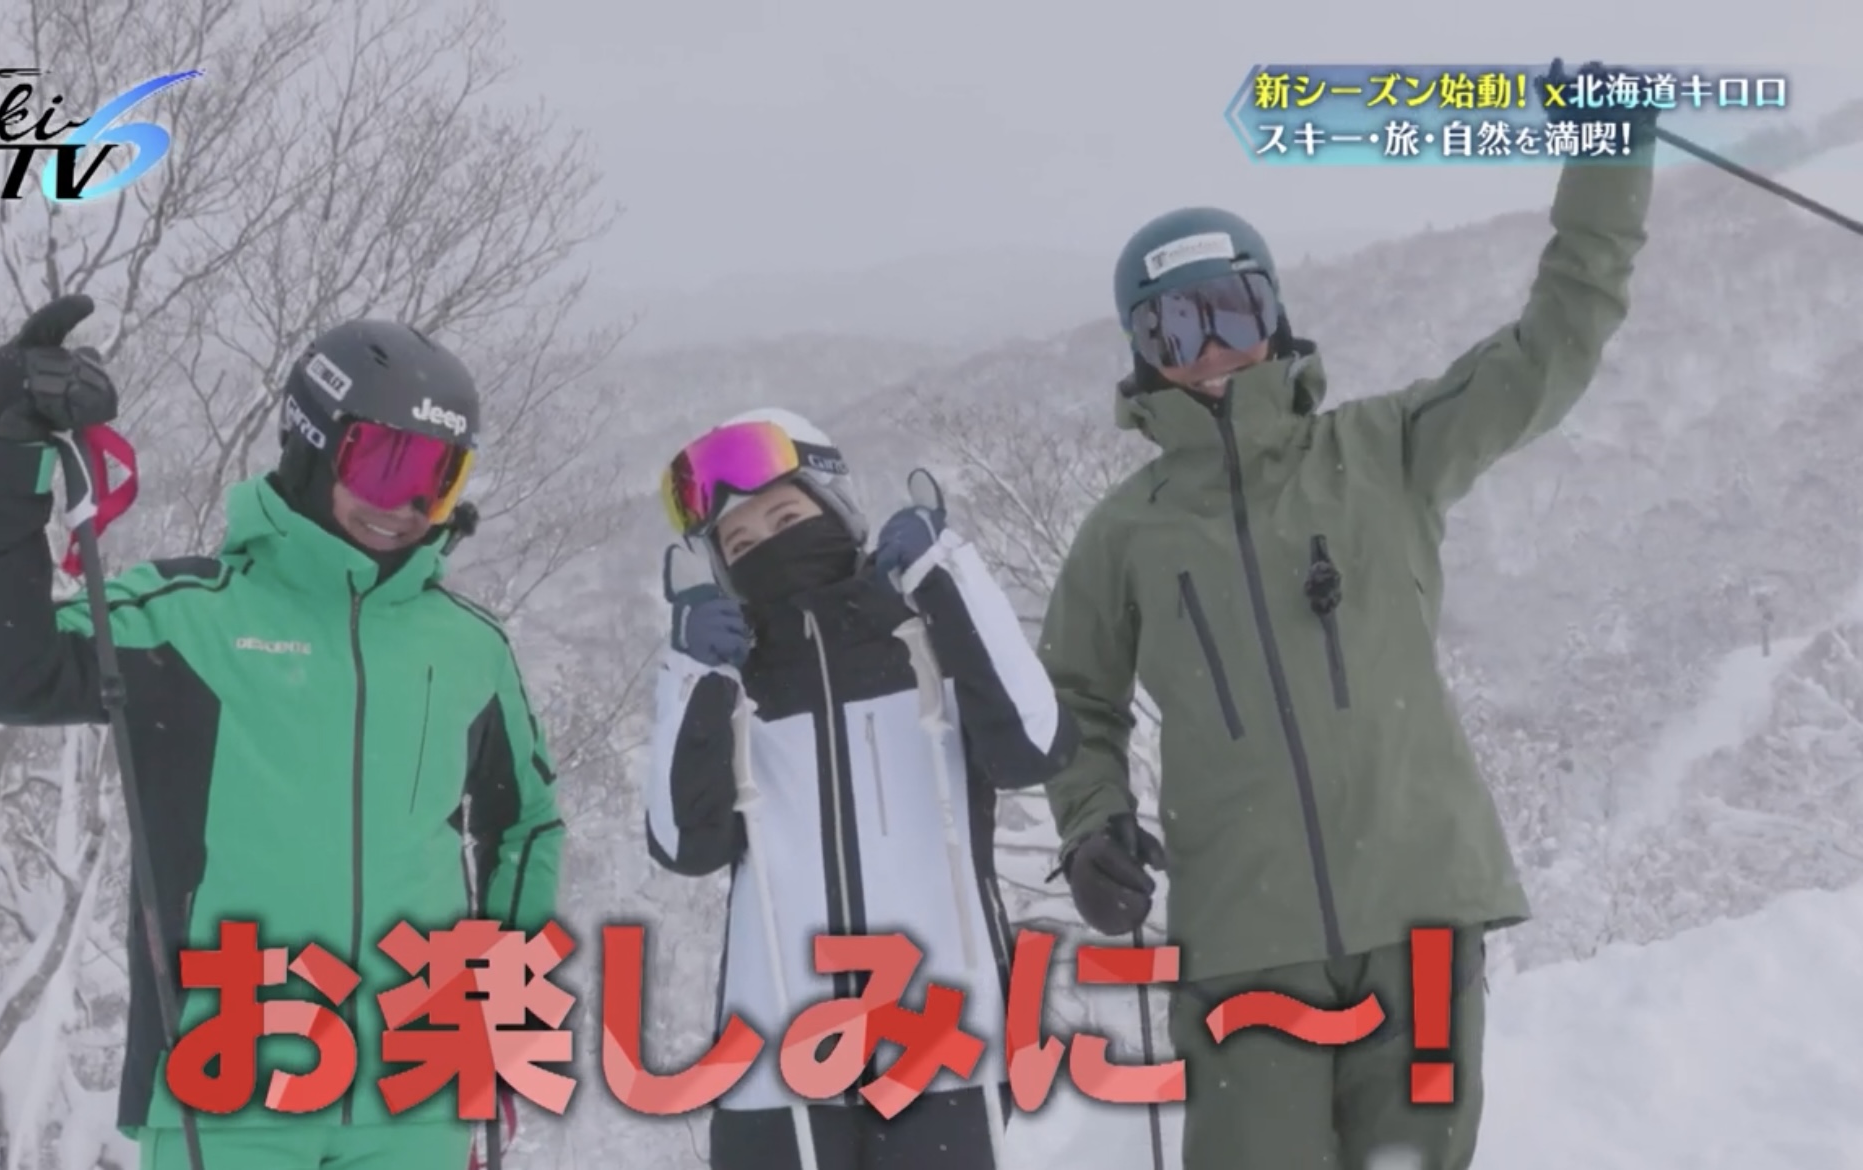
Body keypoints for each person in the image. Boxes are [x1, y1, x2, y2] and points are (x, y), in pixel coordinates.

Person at [1036, 60, 1658, 1170]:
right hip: (1244, 943)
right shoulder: (1124, 533)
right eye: (1175, 326)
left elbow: (1550, 345)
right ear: (1143, 353)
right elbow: (1073, 698)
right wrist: (1091, 825)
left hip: (1421, 915)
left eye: (1233, 308)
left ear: (1275, 316)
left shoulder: (1385, 452)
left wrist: (1607, 156)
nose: (1211, 346)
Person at [0, 296, 564, 1170]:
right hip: (229, 1089)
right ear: (312, 442)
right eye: (384, 464)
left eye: (438, 478)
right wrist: (10, 448)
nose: (405, 506)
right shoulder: (189, 618)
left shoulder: (468, 647)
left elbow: (526, 825)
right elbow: (0, 669)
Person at [642, 408, 1078, 1170]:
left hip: (938, 1042)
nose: (768, 547)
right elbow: (684, 843)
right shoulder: (734, 677)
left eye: (787, 517)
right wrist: (692, 676)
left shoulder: (922, 633)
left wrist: (949, 573)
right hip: (774, 1059)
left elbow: (1034, 745)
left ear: (837, 506)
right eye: (739, 544)